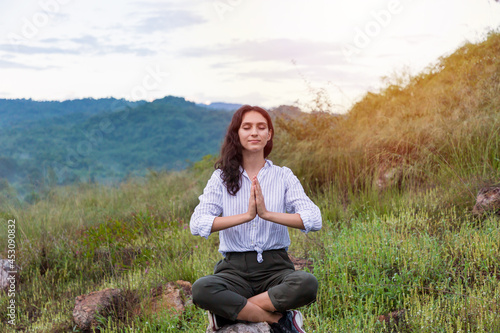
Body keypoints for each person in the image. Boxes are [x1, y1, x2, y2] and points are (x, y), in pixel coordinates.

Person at [190, 105, 322, 333]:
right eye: (247, 127)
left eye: (261, 127)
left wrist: (267, 214)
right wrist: (247, 216)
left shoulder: (283, 176)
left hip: (276, 269)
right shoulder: (221, 178)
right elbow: (197, 223)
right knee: (202, 289)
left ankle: (226, 315)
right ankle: (280, 320)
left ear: (269, 134)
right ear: (237, 133)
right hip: (234, 271)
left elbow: (314, 218)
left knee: (306, 284)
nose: (254, 133)